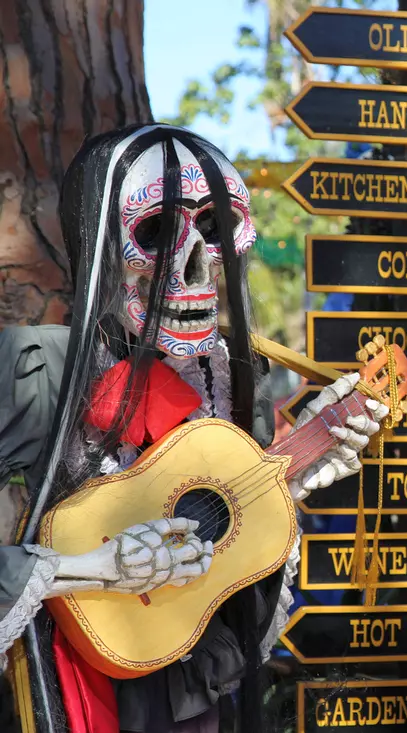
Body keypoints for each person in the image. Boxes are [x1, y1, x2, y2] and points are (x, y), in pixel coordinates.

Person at [0, 124, 385, 733]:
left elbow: (225, 523)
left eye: (217, 229)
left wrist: (297, 475)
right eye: (155, 231)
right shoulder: (39, 371)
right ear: (100, 244)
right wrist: (92, 567)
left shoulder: (228, 375)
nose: (200, 264)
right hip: (80, 680)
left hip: (193, 674)